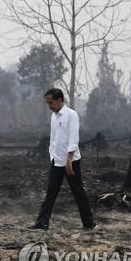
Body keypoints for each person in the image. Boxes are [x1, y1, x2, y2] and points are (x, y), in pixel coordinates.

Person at [29, 88, 96, 231]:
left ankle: (89, 223)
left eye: (51, 103)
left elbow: (73, 138)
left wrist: (69, 160)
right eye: (47, 103)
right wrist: (52, 155)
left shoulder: (72, 115)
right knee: (50, 193)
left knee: (78, 192)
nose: (49, 106)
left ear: (59, 100)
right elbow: (54, 138)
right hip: (56, 161)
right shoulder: (54, 116)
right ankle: (42, 223)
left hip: (71, 162)